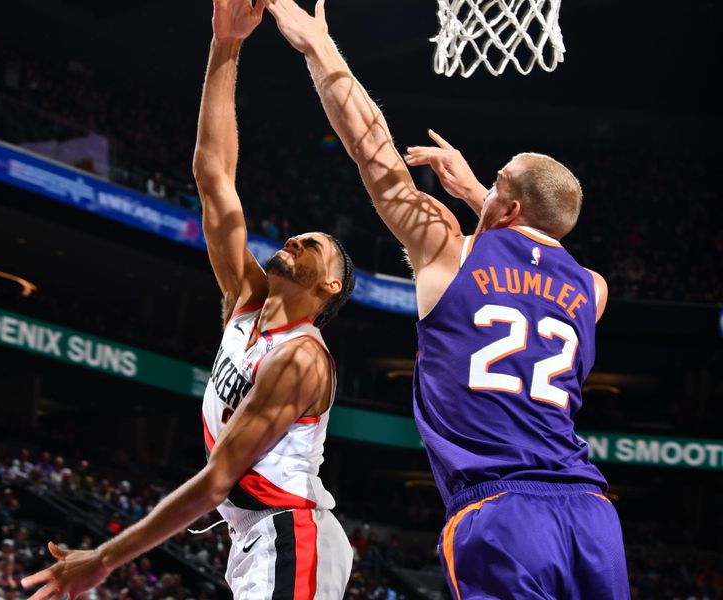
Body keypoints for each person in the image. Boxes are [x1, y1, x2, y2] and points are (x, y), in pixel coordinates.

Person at [264, 1, 629, 598]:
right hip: (592, 516)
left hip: (501, 513)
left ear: (505, 207)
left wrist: (318, 49)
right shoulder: (593, 289)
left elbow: (371, 149)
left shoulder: (448, 253)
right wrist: (487, 196)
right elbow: (534, 249)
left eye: (497, 184)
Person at [21, 1, 355, 599]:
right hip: (254, 539)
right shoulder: (245, 300)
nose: (298, 239)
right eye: (301, 234)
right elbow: (213, 175)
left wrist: (103, 557)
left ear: (328, 288)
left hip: (292, 535)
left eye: (317, 246)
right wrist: (225, 46)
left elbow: (218, 479)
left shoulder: (301, 359)